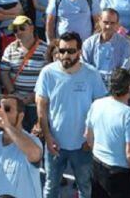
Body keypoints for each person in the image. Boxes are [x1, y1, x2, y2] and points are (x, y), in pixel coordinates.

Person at [35, 31, 108, 198]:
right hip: (55, 144)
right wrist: (48, 137)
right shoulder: (47, 73)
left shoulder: (91, 73)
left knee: (85, 187)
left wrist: (92, 137)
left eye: (70, 51)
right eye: (62, 51)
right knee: (50, 187)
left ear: (80, 52)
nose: (65, 55)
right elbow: (41, 107)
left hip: (83, 145)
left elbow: (100, 108)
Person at [85, 68, 130, 197]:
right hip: (120, 175)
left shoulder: (97, 104)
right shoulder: (129, 115)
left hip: (97, 166)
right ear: (129, 88)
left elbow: (88, 137)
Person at [81, 9, 130, 84]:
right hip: (93, 83)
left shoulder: (125, 44)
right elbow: (85, 67)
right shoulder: (89, 43)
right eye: (105, 22)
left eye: (112, 23)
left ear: (118, 24)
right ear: (99, 21)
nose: (108, 26)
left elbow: (124, 70)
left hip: (115, 85)